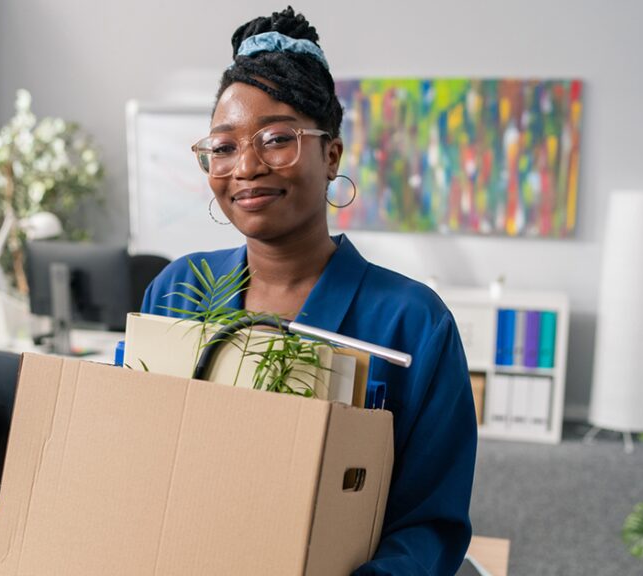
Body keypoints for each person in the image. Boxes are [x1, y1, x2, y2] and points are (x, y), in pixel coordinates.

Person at [139, 7, 477, 575]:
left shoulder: (412, 322)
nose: (246, 166)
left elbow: (429, 524)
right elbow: (142, 461)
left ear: (332, 155)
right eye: (223, 147)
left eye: (276, 140)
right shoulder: (178, 290)